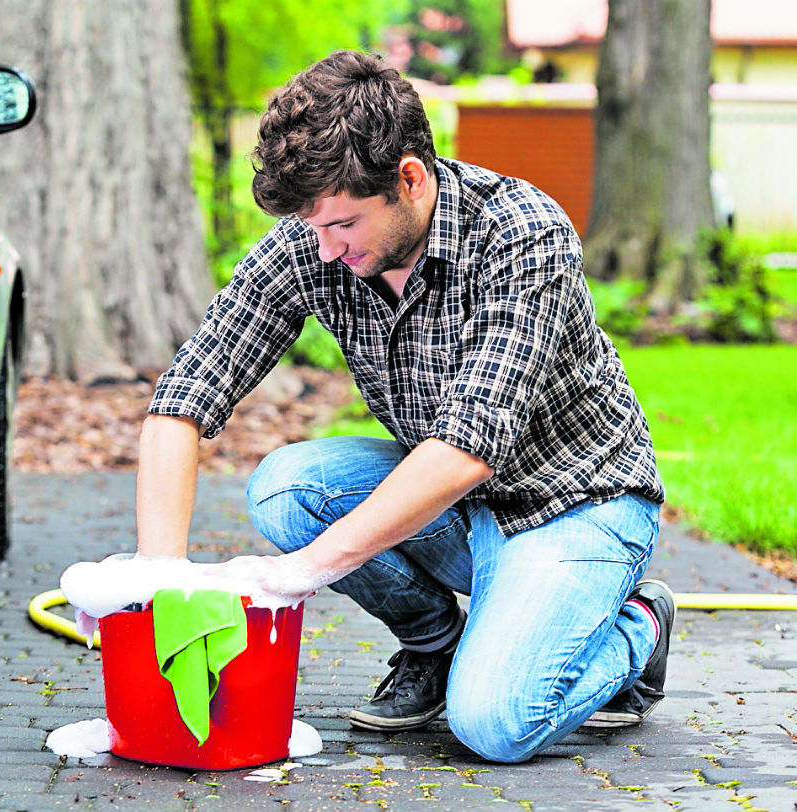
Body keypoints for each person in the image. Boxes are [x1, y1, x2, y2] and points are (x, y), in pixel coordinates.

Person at [134, 49, 672, 764]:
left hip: (572, 503)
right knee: (286, 489)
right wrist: (157, 580)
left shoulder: (520, 233)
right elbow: (184, 398)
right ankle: (435, 646)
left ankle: (639, 627)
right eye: (313, 227)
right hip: (452, 508)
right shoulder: (315, 242)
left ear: (410, 178)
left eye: (343, 225)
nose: (324, 251)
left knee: (496, 722)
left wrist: (300, 573)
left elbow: (471, 444)